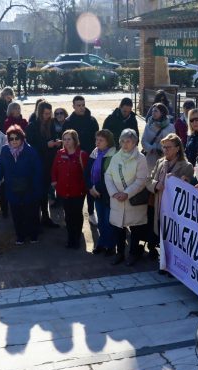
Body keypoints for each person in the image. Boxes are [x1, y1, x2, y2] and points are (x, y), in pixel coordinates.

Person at [105, 129, 148, 266]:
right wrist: (114, 193)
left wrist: (127, 193)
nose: (125, 144)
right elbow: (108, 176)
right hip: (117, 199)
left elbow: (141, 180)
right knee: (119, 228)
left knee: (135, 229)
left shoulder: (141, 158)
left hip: (133, 200)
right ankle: (120, 253)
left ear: (135, 142)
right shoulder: (116, 156)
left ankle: (134, 254)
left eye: (128, 141)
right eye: (122, 141)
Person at [146, 134, 193, 260]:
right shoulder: (160, 162)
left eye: (168, 147)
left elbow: (187, 190)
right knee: (160, 234)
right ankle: (164, 262)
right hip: (158, 205)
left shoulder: (186, 166)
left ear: (178, 148)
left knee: (172, 237)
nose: (165, 150)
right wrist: (156, 185)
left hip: (174, 211)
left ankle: (172, 264)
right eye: (164, 147)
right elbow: (149, 180)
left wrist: (176, 180)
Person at [0, 125, 42, 244]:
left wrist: (36, 188)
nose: (14, 141)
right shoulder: (5, 150)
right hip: (12, 187)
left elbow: (37, 170)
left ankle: (33, 235)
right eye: (11, 138)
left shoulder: (30, 150)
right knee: (16, 213)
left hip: (29, 187)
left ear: (22, 138)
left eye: (17, 138)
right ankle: (20, 236)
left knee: (30, 213)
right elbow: (0, 165)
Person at [64, 95, 99, 223]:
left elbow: (97, 139)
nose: (81, 107)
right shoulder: (68, 122)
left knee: (89, 184)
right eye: (78, 105)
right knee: (75, 183)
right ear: (73, 106)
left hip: (89, 157)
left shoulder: (92, 120)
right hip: (73, 157)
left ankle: (91, 211)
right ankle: (75, 212)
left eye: (83, 105)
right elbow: (66, 142)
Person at [51, 129, 89, 249]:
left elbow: (87, 174)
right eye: (65, 139)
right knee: (68, 215)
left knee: (76, 215)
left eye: (69, 139)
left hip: (78, 191)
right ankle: (70, 238)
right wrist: (55, 182)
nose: (66, 142)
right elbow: (54, 170)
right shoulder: (59, 153)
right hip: (64, 191)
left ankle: (76, 238)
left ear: (75, 140)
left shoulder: (82, 154)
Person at [26, 100, 60, 228]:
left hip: (49, 163)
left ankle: (45, 217)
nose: (48, 116)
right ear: (40, 113)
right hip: (37, 164)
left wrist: (56, 142)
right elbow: (30, 146)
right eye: (45, 113)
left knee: (45, 191)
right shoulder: (32, 126)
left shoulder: (51, 124)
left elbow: (52, 138)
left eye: (49, 113)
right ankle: (37, 220)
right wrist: (46, 144)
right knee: (37, 193)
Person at [84, 130, 117, 255]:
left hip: (108, 193)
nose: (97, 142)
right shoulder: (95, 153)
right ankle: (101, 243)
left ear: (108, 142)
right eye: (96, 140)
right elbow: (87, 172)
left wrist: (96, 188)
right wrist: (90, 187)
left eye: (101, 140)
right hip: (95, 193)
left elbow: (110, 176)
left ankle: (111, 246)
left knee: (109, 221)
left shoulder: (113, 155)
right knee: (101, 221)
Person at [141, 103, 175, 171]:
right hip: (150, 158)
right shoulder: (148, 125)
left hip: (165, 158)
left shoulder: (170, 127)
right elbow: (143, 141)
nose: (153, 113)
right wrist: (152, 148)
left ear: (162, 113)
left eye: (156, 111)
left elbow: (173, 142)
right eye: (152, 111)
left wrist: (162, 149)